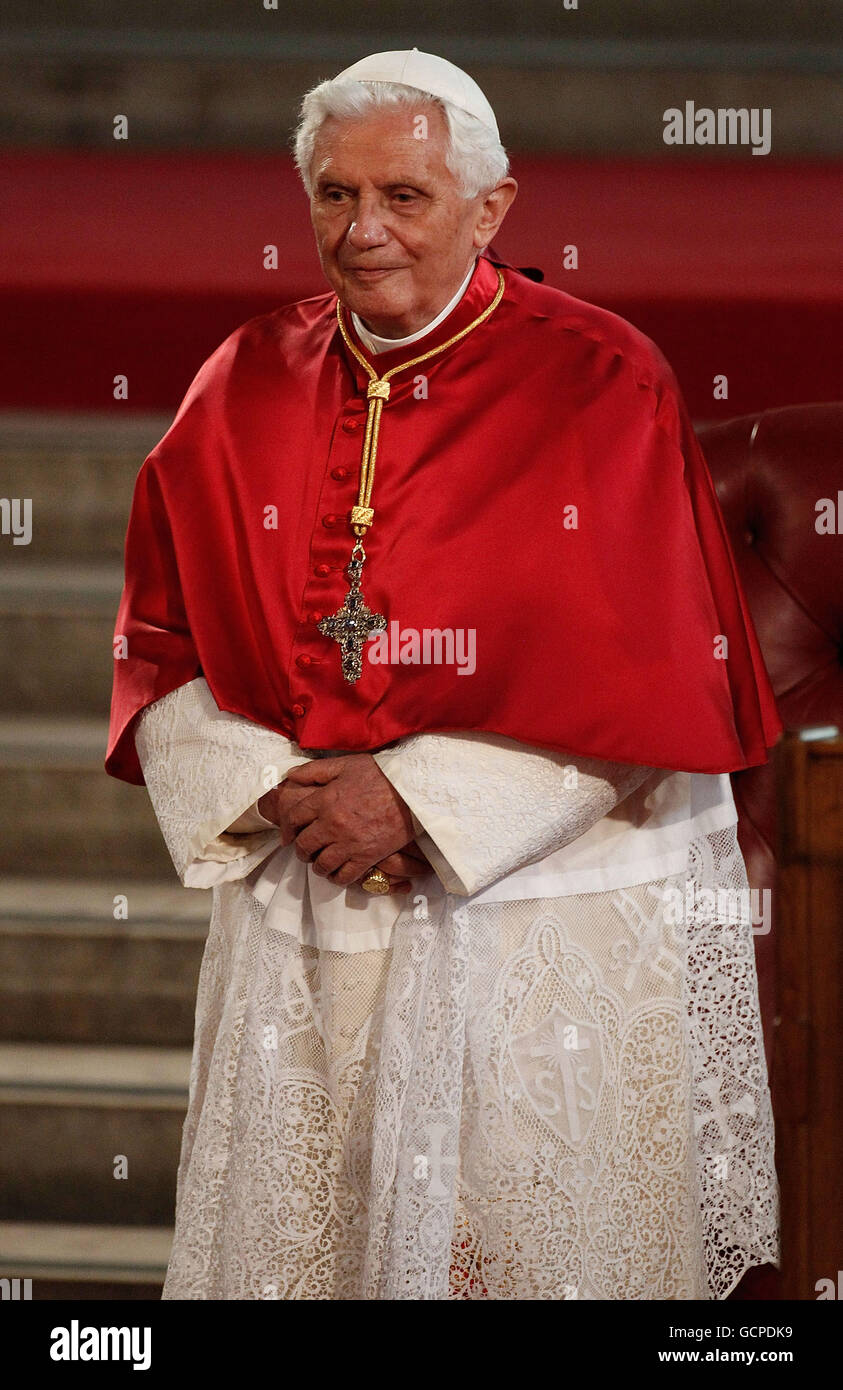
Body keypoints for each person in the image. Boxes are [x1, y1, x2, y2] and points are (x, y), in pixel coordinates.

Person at [106, 48, 782, 1300]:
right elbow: (159, 649)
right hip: (305, 907)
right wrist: (276, 788)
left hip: (530, 913)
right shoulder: (238, 381)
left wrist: (417, 799)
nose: (363, 232)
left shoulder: (602, 380)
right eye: (333, 194)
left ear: (492, 208)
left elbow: (656, 678)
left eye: (404, 196)